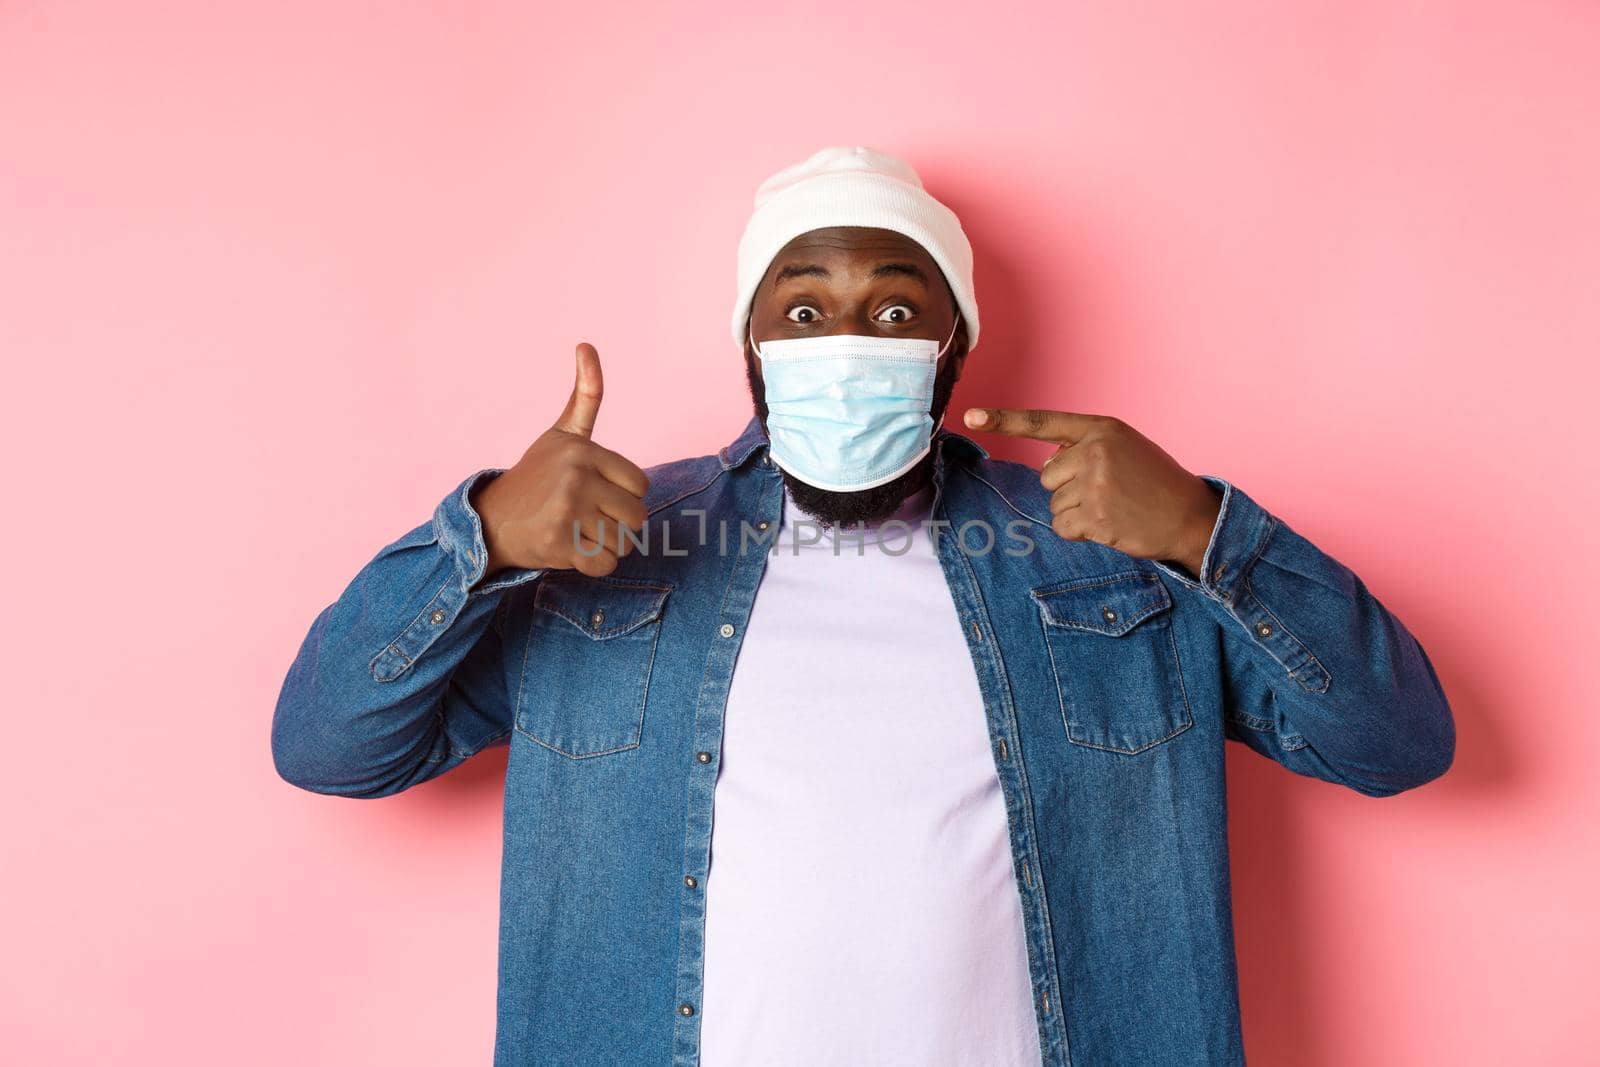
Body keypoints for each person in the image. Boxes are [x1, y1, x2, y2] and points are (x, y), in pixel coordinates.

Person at [271, 145, 1455, 1066]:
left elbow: (1396, 741)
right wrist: (476, 544)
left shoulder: (1100, 549)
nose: (848, 343)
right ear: (750, 343)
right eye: (802, 310)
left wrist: (1208, 530)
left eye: (896, 311)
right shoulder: (611, 545)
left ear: (953, 347)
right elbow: (331, 749)